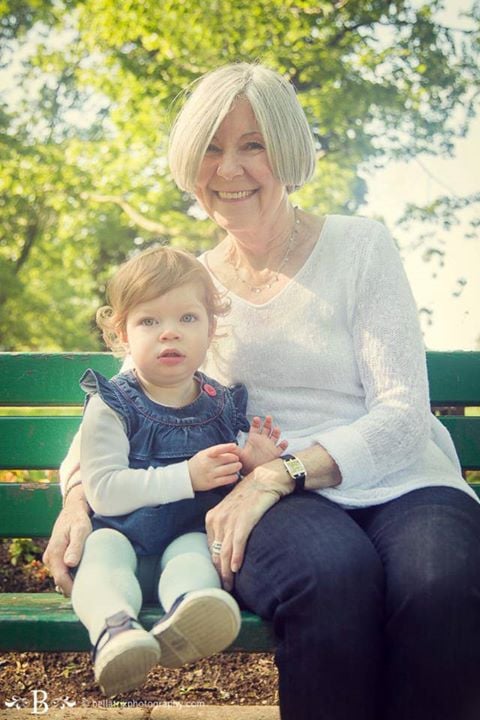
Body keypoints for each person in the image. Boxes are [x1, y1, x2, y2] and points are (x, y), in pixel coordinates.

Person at [44, 62, 480, 720]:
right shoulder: (190, 287)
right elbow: (125, 400)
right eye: (211, 148)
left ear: (288, 150)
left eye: (253, 145)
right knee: (330, 579)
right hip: (277, 504)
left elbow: (402, 413)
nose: (229, 169)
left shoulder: (361, 247)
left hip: (400, 479)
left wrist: (279, 473)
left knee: (441, 583)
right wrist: (78, 497)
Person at [70, 245, 288, 696]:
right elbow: (103, 490)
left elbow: (229, 477)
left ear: (211, 330)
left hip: (185, 537)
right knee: (102, 558)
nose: (169, 333)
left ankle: (187, 616)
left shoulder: (221, 402)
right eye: (149, 321)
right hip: (121, 536)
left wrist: (252, 461)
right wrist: (185, 476)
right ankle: (116, 630)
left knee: (196, 556)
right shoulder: (112, 404)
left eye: (187, 318)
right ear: (123, 334)